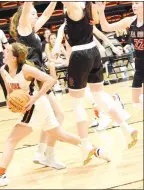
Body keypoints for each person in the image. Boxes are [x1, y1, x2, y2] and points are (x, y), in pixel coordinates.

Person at [0, 42, 107, 189]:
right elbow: (10, 90)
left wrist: (35, 97)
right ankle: (95, 150)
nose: (3, 52)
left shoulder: (26, 69)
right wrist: (10, 100)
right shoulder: (3, 70)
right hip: (34, 107)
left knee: (11, 140)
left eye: (6, 50)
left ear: (14, 57)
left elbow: (50, 80)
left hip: (36, 106)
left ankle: (0, 175)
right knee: (61, 135)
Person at [52, 2, 138, 159]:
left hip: (80, 56)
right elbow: (61, 33)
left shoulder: (75, 8)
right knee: (99, 96)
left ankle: (85, 145)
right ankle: (126, 128)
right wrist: (56, 48)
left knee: (77, 103)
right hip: (94, 53)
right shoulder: (79, 13)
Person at [10, 2, 67, 169]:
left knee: (53, 118)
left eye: (36, 14)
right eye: (33, 14)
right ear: (25, 16)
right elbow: (27, 6)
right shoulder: (23, 28)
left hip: (39, 77)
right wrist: (29, 5)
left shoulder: (32, 31)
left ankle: (42, 153)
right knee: (58, 116)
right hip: (34, 80)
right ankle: (47, 154)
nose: (36, 16)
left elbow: (47, 15)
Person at [96, 1, 144, 110]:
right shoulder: (130, 20)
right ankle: (116, 100)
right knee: (136, 103)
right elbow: (105, 27)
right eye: (133, 3)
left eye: (137, 3)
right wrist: (100, 11)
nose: (134, 5)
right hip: (139, 64)